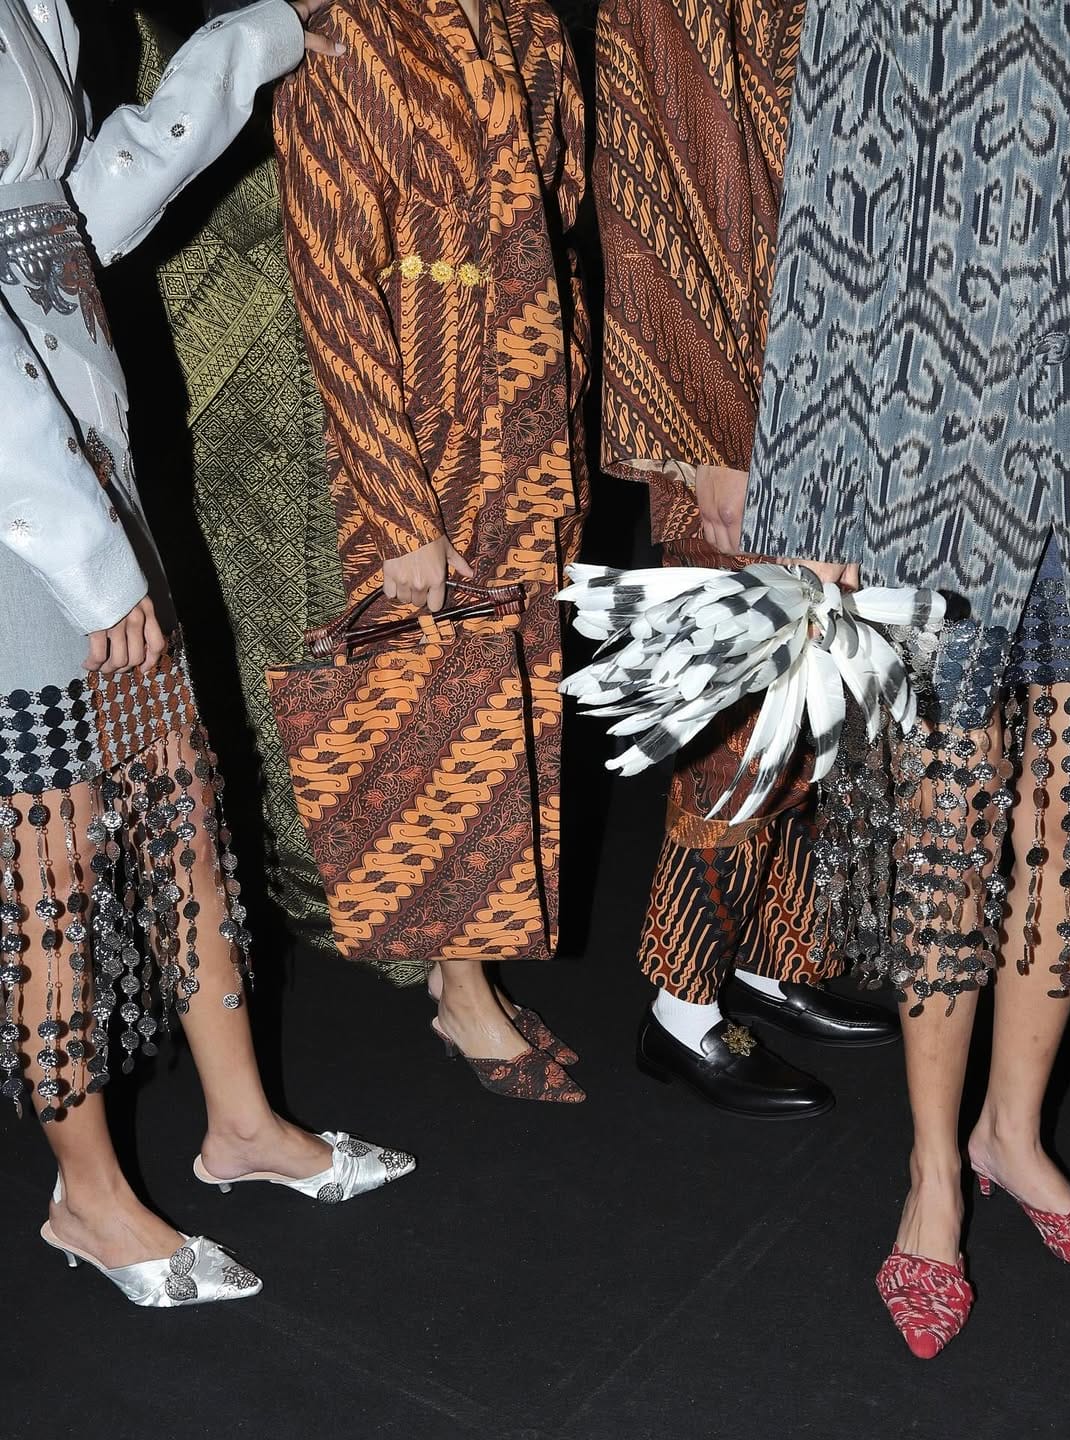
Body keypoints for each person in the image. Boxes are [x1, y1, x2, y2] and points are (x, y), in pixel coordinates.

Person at [0, 0, 413, 1310]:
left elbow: (74, 214)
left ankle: (242, 1126)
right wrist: (90, 554)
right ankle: (89, 1197)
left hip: (81, 449)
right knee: (52, 856)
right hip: (23, 502)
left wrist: (252, 45)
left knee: (175, 802)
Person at [743, 1, 1070, 1355]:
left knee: (1068, 811)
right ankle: (934, 1171)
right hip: (934, 432)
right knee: (949, 813)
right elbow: (832, 195)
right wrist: (807, 490)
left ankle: (1013, 1129)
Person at [272, 0, 590, 1102]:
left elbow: (557, 217)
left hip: (531, 430)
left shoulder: (529, 23)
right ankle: (461, 990)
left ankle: (472, 969)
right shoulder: (344, 35)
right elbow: (331, 284)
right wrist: (399, 509)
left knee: (515, 713)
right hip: (425, 443)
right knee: (444, 718)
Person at [593, 0, 898, 1120]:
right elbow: (657, 199)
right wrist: (710, 446)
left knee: (819, 703)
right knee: (742, 726)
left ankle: (774, 958)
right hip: (735, 418)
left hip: (824, 390)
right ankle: (681, 1007)